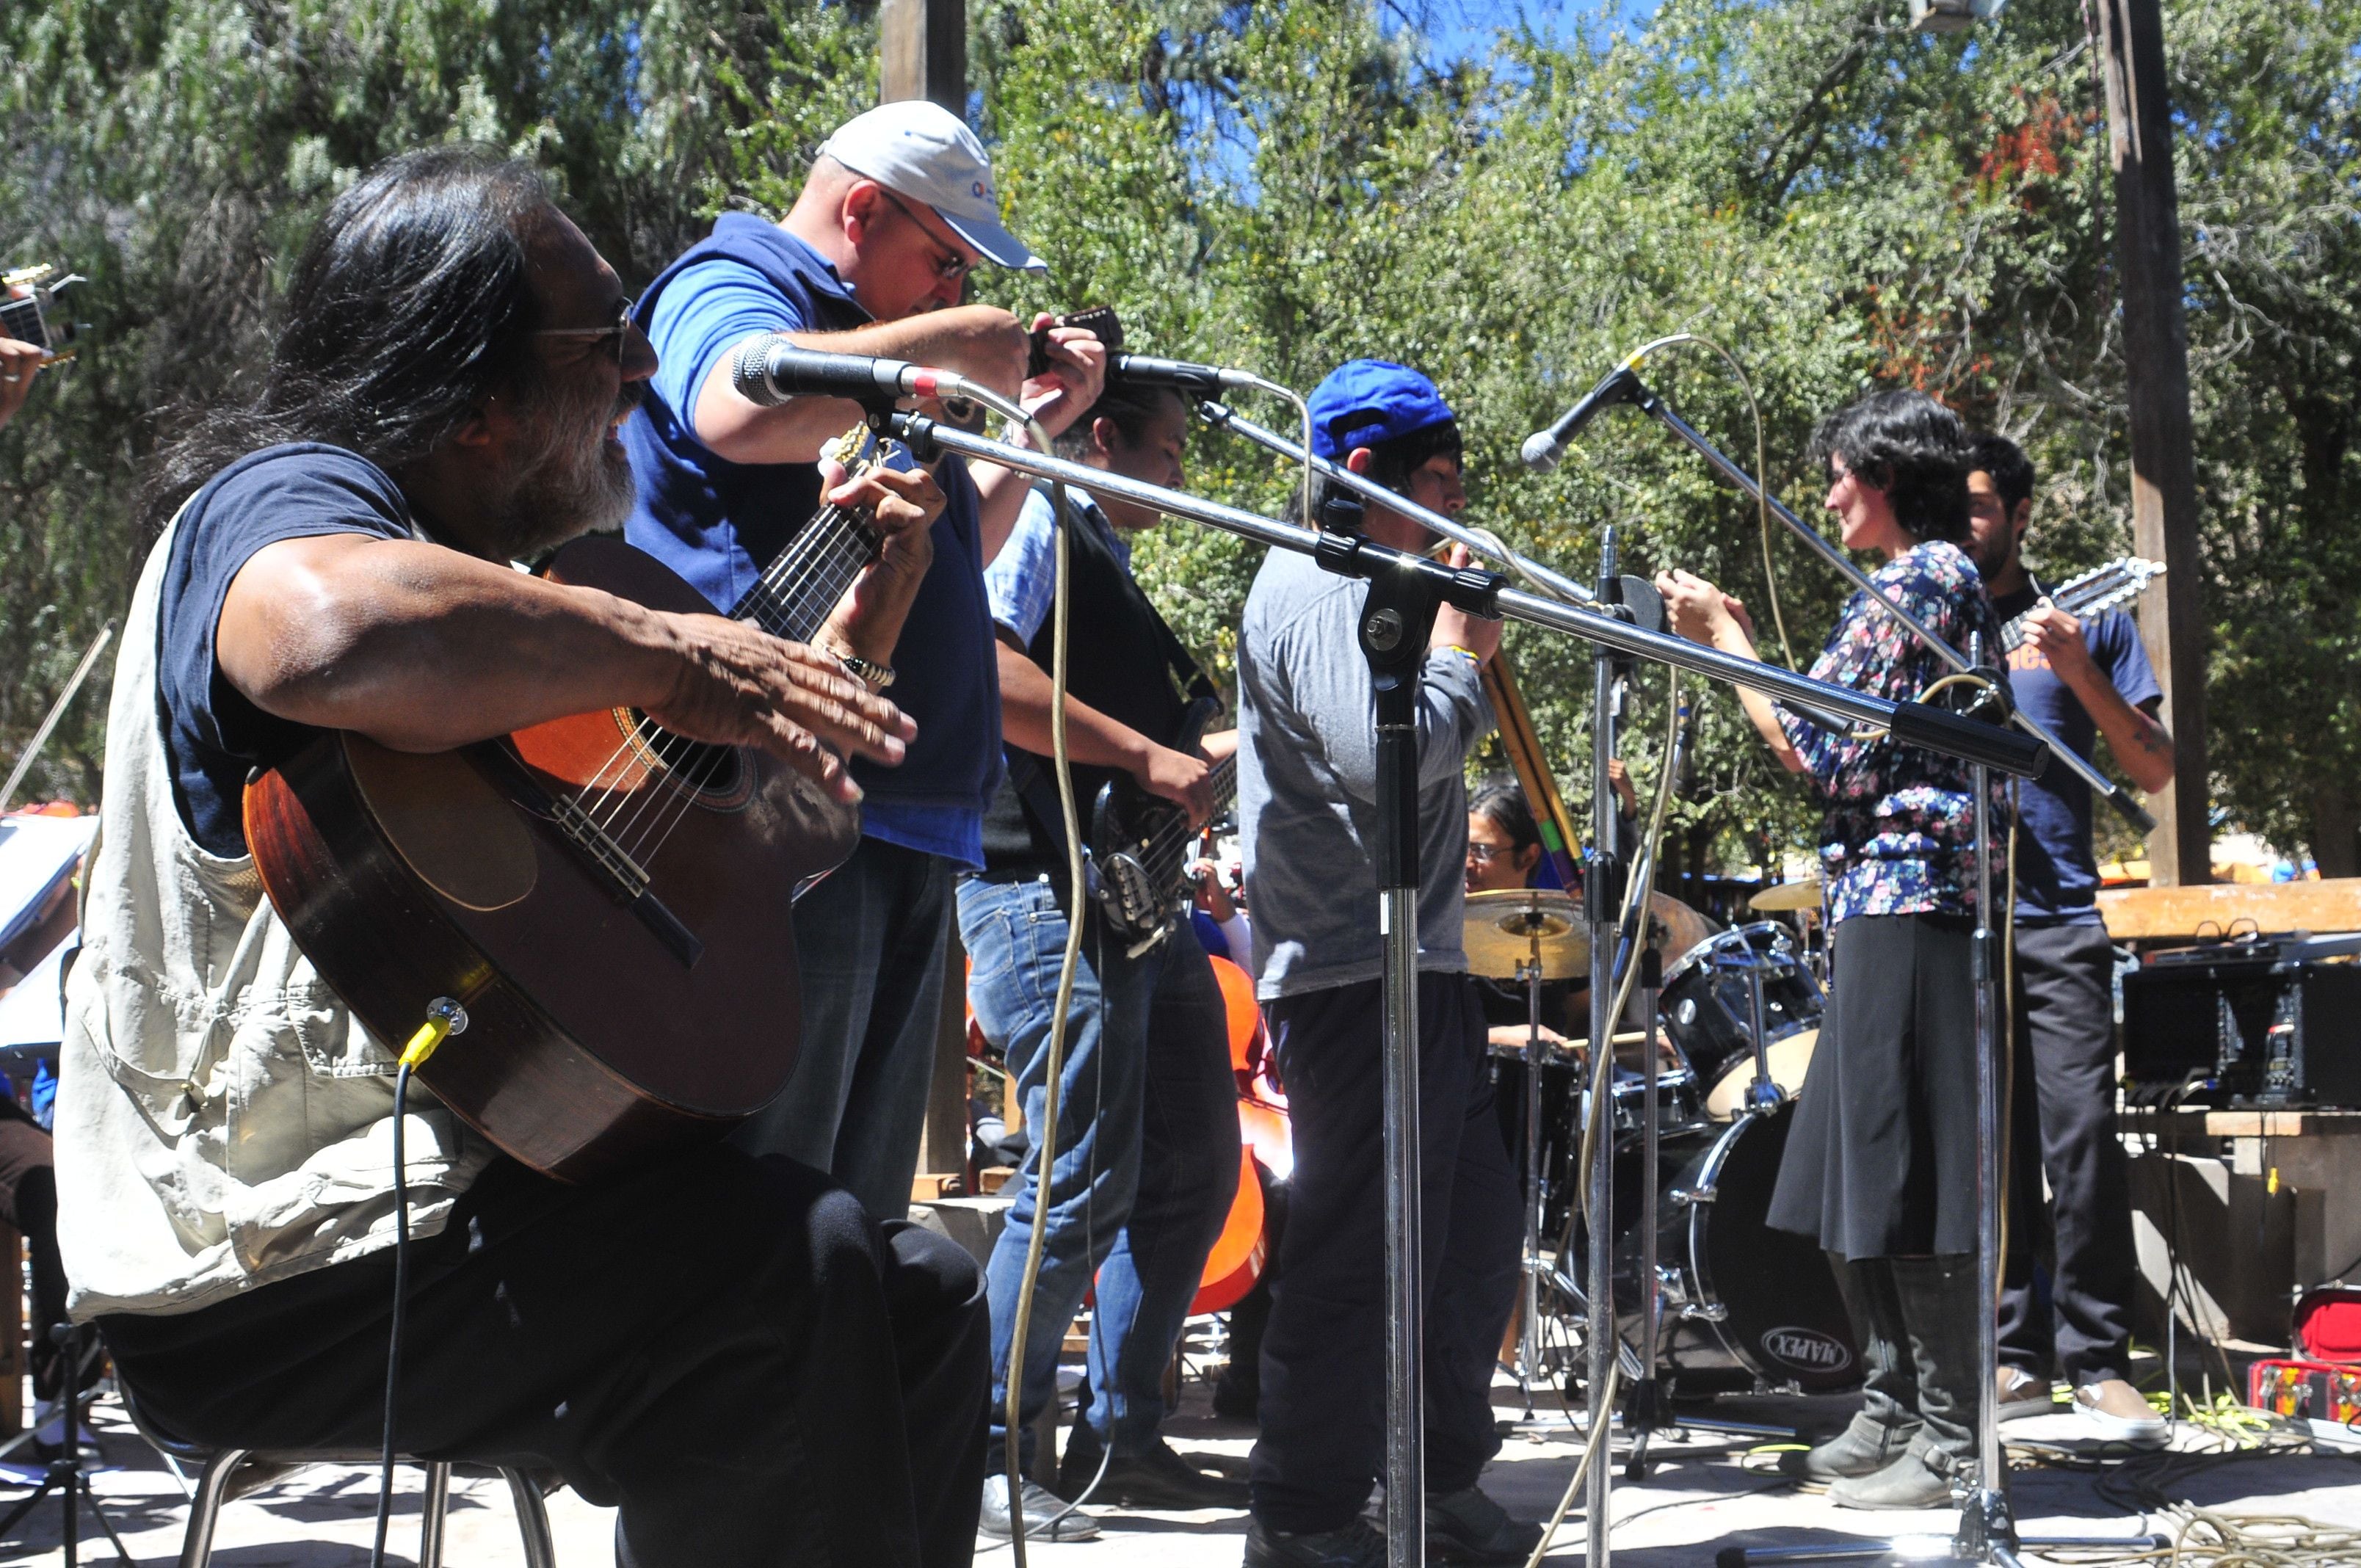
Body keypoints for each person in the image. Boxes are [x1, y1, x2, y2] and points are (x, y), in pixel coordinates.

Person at [54, 146, 990, 1568]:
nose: (636, 372)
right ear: (478, 399)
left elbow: (774, 847)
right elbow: (321, 631)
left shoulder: (512, 598)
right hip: (259, 1262)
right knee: (788, 1270)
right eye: (604, 339)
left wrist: (859, 628)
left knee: (914, 1281)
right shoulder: (287, 495)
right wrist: (676, 653)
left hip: (469, 1203)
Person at [621, 99, 1106, 1222]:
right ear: (862, 210)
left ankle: (826, 1392)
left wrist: (1032, 426)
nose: (950, 291)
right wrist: (939, 354)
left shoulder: (879, 362)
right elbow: (730, 407)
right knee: (780, 1207)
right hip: (783, 811)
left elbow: (955, 557)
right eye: (942, 260)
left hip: (891, 812)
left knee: (861, 1213)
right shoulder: (741, 278)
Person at [1656, 389, 2005, 1510]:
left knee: (1905, 1163)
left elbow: (1820, 750)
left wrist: (1731, 642)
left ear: (1892, 475)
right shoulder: (1909, 583)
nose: (1828, 494)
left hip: (1909, 899)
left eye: (1844, 472)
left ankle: (1951, 1438)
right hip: (1877, 901)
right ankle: (1896, 1404)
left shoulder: (1925, 577)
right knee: (1860, 1157)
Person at [1236, 360, 1534, 1567]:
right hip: (1351, 980)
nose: (1460, 514)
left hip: (1421, 966)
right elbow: (1380, 761)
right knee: (1358, 1253)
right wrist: (1464, 653)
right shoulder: (1311, 581)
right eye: (1444, 488)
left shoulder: (1376, 579)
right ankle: (1304, 1517)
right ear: (1363, 477)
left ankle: (1439, 1476)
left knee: (1471, 1242)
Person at [965, 379, 1247, 1536]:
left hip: (1134, 899)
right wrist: (1149, 758)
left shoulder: (1099, 555)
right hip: (1041, 893)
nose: (1177, 478)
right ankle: (980, 1451)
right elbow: (980, 669)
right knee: (1073, 1179)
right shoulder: (1037, 513)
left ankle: (1121, 1435)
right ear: (1102, 438)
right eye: (1166, 452)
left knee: (1193, 1163)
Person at [1965, 432, 2172, 1445]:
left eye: (1978, 509)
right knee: (1988, 1149)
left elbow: (2157, 769)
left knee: (2081, 1137)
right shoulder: (1930, 622)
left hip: (2058, 919)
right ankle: (2013, 1353)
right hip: (1961, 921)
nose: (1964, 529)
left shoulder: (2091, 622)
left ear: (2018, 513)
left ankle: (2099, 1359)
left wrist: (2076, 670)